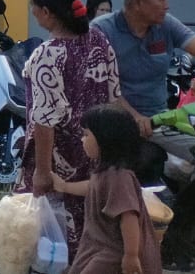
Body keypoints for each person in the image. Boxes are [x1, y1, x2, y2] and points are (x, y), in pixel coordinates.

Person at [18, 0, 123, 251]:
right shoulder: (99, 40)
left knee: (42, 243)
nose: (32, 11)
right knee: (90, 237)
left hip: (57, 162)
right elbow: (114, 97)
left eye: (33, 6)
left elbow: (43, 121)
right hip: (94, 157)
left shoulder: (46, 56)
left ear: (46, 12)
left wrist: (42, 172)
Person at [91, 0, 195, 161]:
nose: (167, 5)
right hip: (115, 121)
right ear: (139, 3)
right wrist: (135, 117)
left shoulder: (165, 24)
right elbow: (100, 87)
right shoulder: (101, 31)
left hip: (160, 118)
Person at [53, 104, 163, 274]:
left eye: (87, 135)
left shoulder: (120, 178)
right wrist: (64, 186)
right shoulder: (106, 173)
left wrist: (131, 255)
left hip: (114, 252)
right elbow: (93, 188)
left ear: (105, 140)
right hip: (98, 246)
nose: (83, 140)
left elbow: (129, 216)